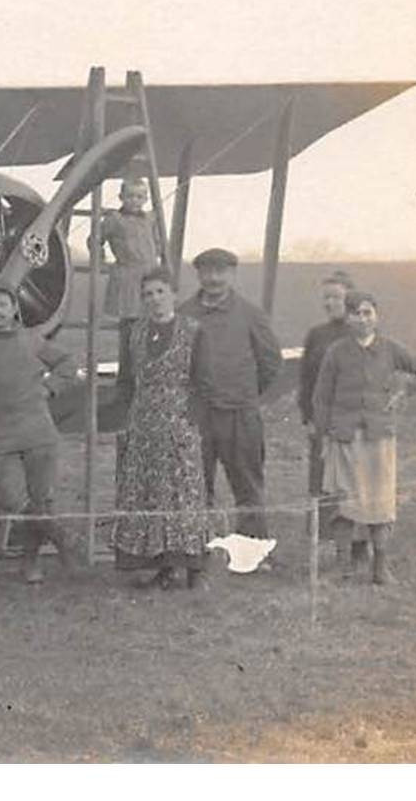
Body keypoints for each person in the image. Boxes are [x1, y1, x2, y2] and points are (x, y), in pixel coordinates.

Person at [0, 284, 84, 584]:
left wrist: (49, 387)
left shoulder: (32, 340)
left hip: (38, 431)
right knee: (9, 497)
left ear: (15, 308)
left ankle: (30, 564)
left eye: (3, 304)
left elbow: (68, 363)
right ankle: (61, 535)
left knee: (41, 499)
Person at [313, 291, 416, 584]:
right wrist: (323, 436)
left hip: (378, 437)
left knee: (381, 502)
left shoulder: (390, 349)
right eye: (356, 313)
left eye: (368, 312)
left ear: (376, 316)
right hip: (344, 437)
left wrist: (404, 391)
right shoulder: (336, 352)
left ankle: (380, 567)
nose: (362, 319)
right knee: (345, 501)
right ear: (347, 318)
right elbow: (321, 397)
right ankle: (344, 565)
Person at [110, 269, 213, 591]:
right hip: (143, 426)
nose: (154, 299)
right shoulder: (135, 333)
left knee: (184, 494)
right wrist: (127, 421)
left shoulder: (194, 331)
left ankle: (194, 569)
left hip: (179, 423)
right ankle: (162, 567)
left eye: (160, 292)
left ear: (173, 294)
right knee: (149, 496)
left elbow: (204, 382)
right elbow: (125, 382)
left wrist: (189, 419)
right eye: (148, 294)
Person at [178, 247, 283, 549]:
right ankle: (196, 550)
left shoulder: (250, 314)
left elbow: (271, 363)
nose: (213, 278)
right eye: (207, 271)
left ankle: (252, 551)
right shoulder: (185, 314)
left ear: (232, 274)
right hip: (198, 416)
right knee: (195, 484)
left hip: (240, 414)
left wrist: (244, 392)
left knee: (248, 484)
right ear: (198, 274)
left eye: (220, 271)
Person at [298, 270, 360, 552]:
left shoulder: (362, 333)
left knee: (352, 477)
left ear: (350, 298)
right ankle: (321, 537)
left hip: (353, 420)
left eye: (336, 297)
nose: (330, 303)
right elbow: (306, 379)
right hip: (322, 419)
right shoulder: (316, 335)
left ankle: (355, 538)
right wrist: (308, 417)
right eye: (326, 298)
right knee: (321, 475)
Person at [93, 177, 159, 377]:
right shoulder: (114, 219)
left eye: (139, 197)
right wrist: (100, 258)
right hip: (128, 275)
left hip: (149, 274)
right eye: (130, 196)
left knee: (152, 323)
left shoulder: (151, 219)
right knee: (130, 326)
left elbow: (157, 242)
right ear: (121, 197)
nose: (135, 201)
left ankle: (146, 371)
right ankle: (126, 374)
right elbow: (95, 239)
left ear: (146, 199)